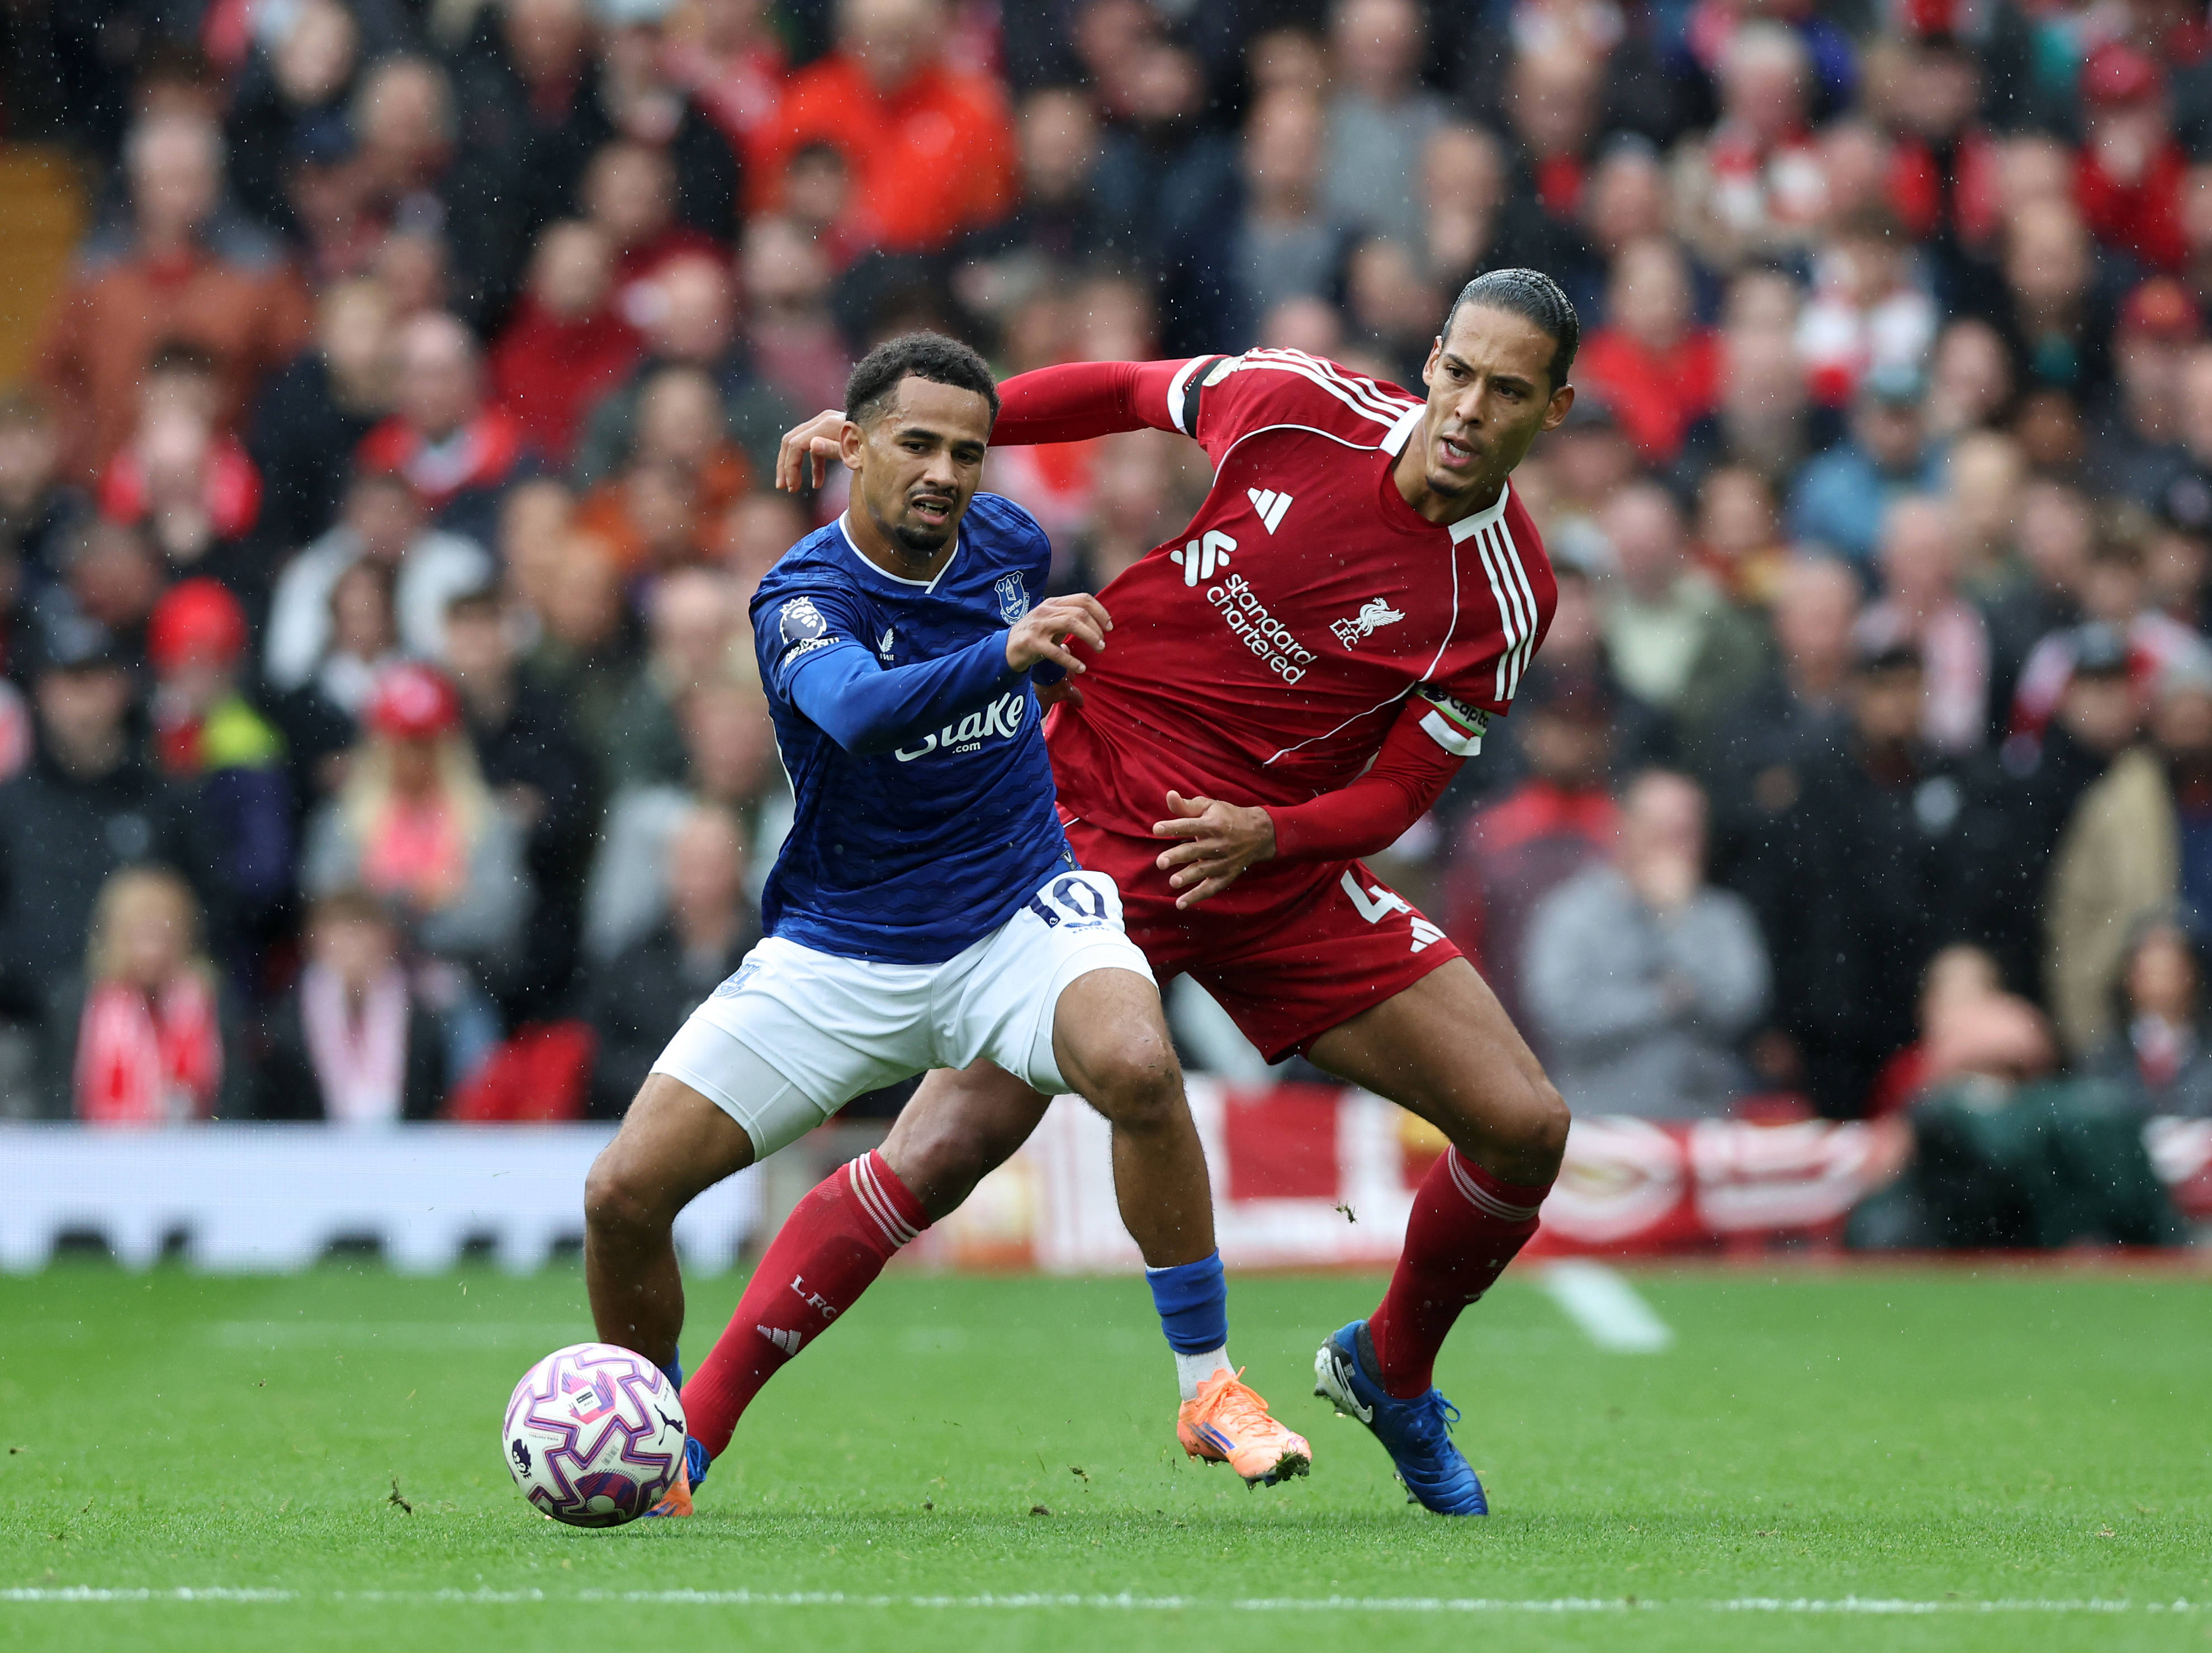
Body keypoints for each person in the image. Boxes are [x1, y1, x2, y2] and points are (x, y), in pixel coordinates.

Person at [776, 269, 1579, 1515]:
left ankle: (1389, 1368)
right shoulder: (1300, 404)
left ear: (1553, 409)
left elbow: (1399, 793)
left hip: (1269, 859)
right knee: (943, 1143)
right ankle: (695, 1434)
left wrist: (1274, 834)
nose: (1470, 408)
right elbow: (1115, 390)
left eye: (1508, 391)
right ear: (1431, 361)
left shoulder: (1507, 595)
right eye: (1459, 374)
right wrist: (918, 433)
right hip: (1102, 810)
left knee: (1524, 1125)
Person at [584, 333, 1311, 1520]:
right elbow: (860, 711)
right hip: (841, 948)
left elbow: (1040, 645)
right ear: (853, 446)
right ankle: (647, 1439)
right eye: (915, 445)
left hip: (1019, 913)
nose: (944, 472)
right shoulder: (801, 596)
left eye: (967, 452)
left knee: (1136, 1061)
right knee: (621, 1194)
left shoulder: (1011, 543)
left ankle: (1208, 1384)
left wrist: (1042, 661)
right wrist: (1003, 654)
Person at [1521, 771, 1770, 1118]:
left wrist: (1678, 922)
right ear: (1622, 830)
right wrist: (1663, 1002)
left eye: (1686, 833)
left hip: (1701, 1120)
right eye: (1659, 831)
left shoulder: (1722, 915)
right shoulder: (1572, 913)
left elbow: (1740, 1007)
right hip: (1599, 1122)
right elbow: (1561, 1018)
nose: (1673, 847)